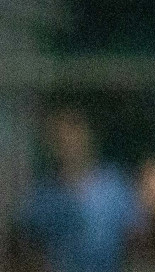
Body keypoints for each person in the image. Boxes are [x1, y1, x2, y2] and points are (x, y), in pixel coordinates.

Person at [16, 109, 141, 272]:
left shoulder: (116, 187)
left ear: (89, 133)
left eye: (73, 129)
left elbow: (136, 245)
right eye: (59, 132)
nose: (67, 139)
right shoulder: (41, 195)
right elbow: (26, 249)